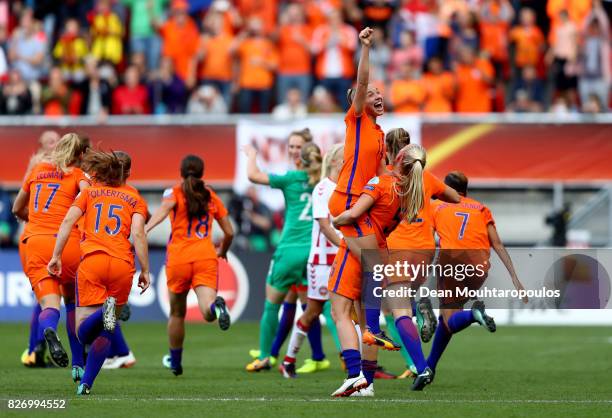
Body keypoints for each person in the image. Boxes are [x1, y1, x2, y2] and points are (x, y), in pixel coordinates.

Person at [48, 150, 150, 395]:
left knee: (83, 331)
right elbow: (138, 234)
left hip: (92, 262)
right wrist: (145, 270)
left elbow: (67, 222)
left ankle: (103, 313)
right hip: (122, 266)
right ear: (129, 173)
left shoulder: (89, 193)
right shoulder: (135, 197)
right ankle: (86, 384)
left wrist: (56, 255)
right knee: (108, 328)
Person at [325, 27, 389, 396]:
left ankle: (358, 374)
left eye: (381, 93)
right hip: (350, 208)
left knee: (341, 306)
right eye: (371, 93)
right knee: (365, 294)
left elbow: (380, 182)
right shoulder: (357, 120)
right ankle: (362, 374)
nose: (377, 96)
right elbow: (362, 81)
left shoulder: (379, 133)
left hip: (354, 211)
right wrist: (365, 49)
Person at [426, 171, 527, 378]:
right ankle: (429, 368)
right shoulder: (481, 208)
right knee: (449, 317)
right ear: (466, 190)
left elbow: (426, 238)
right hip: (479, 268)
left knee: (449, 318)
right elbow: (497, 243)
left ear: (448, 190)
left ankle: (474, 314)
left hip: (451, 263)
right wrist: (515, 277)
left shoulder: (436, 206)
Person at [145, 155, 234, 376]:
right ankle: (217, 307)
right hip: (205, 256)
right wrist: (222, 250)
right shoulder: (211, 195)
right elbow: (230, 232)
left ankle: (175, 363)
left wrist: (145, 228)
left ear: (181, 172)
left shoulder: (174, 192)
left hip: (178, 258)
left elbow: (163, 210)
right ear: (202, 173)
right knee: (207, 311)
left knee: (176, 313)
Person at [12, 133, 90, 382]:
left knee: (49, 305)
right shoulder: (78, 175)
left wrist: (34, 219)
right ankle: (78, 366)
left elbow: (16, 208)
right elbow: (91, 201)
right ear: (79, 155)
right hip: (67, 243)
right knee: (73, 304)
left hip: (35, 242)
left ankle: (48, 330)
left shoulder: (37, 169)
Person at [243, 131, 321, 372]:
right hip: (315, 251)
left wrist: (252, 155)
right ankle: (335, 357)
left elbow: (253, 175)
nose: (294, 150)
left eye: (298, 147)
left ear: (306, 152)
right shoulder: (323, 180)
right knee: (315, 306)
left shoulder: (290, 178)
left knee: (273, 305)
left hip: (289, 251)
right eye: (291, 146)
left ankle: (267, 355)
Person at [279, 143, 344, 378]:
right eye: (346, 158)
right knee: (313, 312)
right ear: (336, 161)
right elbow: (325, 226)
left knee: (345, 313)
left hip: (343, 260)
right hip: (321, 262)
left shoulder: (348, 188)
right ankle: (288, 360)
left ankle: (355, 366)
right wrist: (345, 245)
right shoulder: (322, 189)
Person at [18, 130, 61, 368]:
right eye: (51, 141)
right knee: (45, 295)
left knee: (45, 296)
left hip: (39, 235)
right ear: (42, 146)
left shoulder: (42, 167)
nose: (56, 144)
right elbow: (20, 204)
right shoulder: (41, 165)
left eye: (58, 140)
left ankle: (37, 347)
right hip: (38, 236)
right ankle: (35, 348)